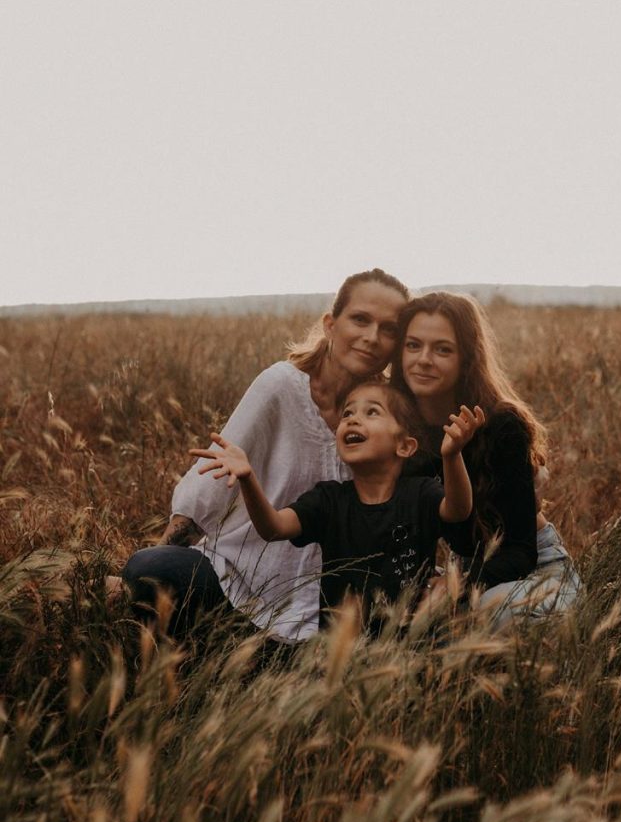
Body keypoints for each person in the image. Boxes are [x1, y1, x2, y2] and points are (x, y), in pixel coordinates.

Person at [120, 268, 411, 641]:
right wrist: (157, 573)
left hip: (332, 605)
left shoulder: (390, 413)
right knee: (151, 568)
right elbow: (206, 492)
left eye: (388, 329)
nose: (372, 337)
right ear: (331, 325)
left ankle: (269, 657)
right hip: (240, 581)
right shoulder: (281, 386)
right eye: (360, 320)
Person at [189, 381, 484, 630]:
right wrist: (248, 479)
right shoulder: (328, 500)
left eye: (372, 412)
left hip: (410, 642)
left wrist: (452, 455)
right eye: (347, 413)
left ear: (404, 446)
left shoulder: (420, 493)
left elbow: (458, 510)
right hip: (338, 651)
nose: (353, 419)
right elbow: (273, 528)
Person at [391, 292, 581, 629]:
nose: (424, 359)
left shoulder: (500, 425)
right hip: (465, 572)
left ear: (466, 358)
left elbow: (520, 552)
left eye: (442, 349)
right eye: (413, 345)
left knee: (493, 610)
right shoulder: (402, 432)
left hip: (537, 573)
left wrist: (456, 589)